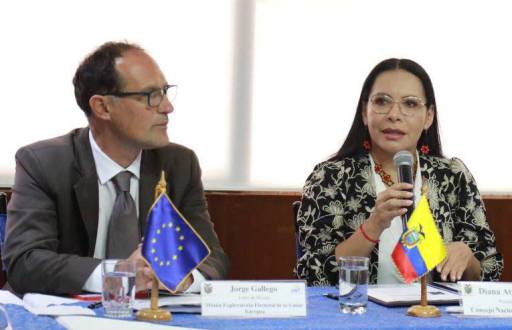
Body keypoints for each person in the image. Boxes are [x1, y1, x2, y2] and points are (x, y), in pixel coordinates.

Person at [3, 41, 229, 294]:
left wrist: (180, 279)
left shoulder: (179, 164)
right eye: (150, 96)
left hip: (151, 312)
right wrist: (119, 273)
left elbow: (212, 259)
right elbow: (25, 261)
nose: (167, 107)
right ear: (102, 107)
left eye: (165, 91)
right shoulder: (43, 163)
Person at [295, 58, 503, 286]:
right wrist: (373, 226)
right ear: (365, 113)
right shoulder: (330, 177)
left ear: (429, 117)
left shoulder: (453, 176)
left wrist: (467, 258)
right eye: (382, 102)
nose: (394, 114)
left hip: (438, 318)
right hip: (360, 317)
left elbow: (489, 269)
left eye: (410, 104)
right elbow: (315, 275)